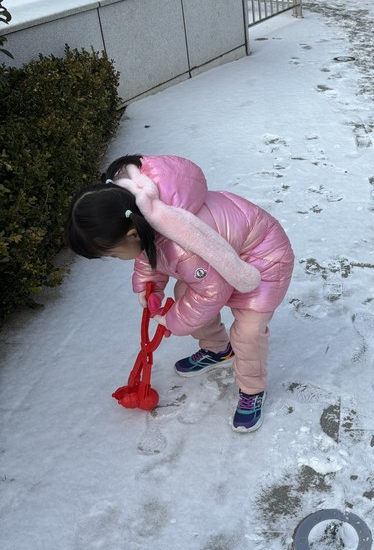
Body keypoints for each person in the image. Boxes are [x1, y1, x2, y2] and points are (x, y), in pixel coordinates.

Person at [65, 154, 295, 433]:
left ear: (130, 235)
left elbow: (212, 292)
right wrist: (149, 285)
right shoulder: (145, 219)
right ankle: (218, 350)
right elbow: (149, 256)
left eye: (113, 254)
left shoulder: (180, 243)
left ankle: (252, 389)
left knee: (247, 332)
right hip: (218, 259)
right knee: (185, 288)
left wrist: (174, 320)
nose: (116, 259)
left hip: (263, 258)